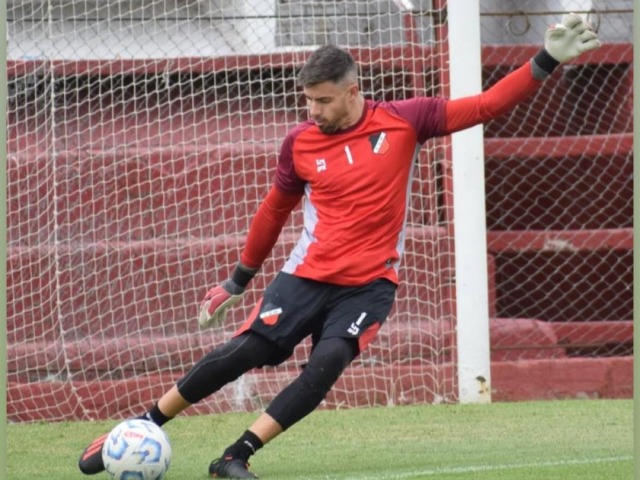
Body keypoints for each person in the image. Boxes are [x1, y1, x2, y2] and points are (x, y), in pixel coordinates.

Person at [79, 13, 600, 479]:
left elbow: (485, 105)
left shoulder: (404, 120)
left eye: (323, 100)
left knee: (325, 364)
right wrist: (237, 280)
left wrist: (545, 59)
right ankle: (139, 427)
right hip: (306, 275)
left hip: (369, 286)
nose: (314, 110)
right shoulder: (301, 143)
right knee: (247, 350)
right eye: (308, 100)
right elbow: (273, 211)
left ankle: (234, 456)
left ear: (354, 91)